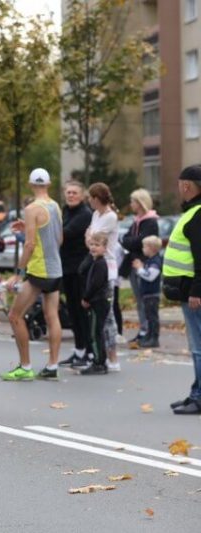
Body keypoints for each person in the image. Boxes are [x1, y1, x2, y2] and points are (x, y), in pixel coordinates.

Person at [1, 168, 63, 382]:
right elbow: (59, 239)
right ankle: (53, 365)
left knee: (14, 315)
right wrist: (29, 227)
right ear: (48, 184)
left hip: (39, 270)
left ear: (30, 185)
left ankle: (25, 366)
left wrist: (18, 274)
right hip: (56, 269)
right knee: (52, 316)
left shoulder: (31, 209)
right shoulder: (55, 206)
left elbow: (29, 244)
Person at [163, 165, 201, 414]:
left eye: (180, 184)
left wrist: (197, 291)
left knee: (198, 347)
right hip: (189, 291)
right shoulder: (193, 212)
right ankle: (195, 392)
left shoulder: (197, 215)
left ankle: (199, 397)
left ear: (186, 185)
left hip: (194, 294)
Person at [84, 183, 121, 372]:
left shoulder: (110, 217)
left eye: (90, 198)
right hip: (96, 264)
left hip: (107, 267)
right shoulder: (95, 215)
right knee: (99, 314)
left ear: (97, 199)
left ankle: (113, 357)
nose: (89, 201)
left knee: (108, 316)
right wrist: (90, 237)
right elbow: (90, 240)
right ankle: (102, 354)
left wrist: (90, 237)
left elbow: (92, 239)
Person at [58, 181, 94, 368]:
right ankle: (79, 349)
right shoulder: (65, 212)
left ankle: (89, 351)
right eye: (68, 192)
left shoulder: (84, 214)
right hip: (67, 268)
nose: (71, 195)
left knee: (82, 312)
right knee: (72, 311)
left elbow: (66, 233)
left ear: (82, 195)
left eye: (74, 192)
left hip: (80, 269)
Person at [120, 189, 159, 347]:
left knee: (145, 301)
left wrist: (131, 241)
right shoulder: (136, 221)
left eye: (133, 201)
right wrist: (132, 241)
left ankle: (149, 331)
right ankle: (143, 330)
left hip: (144, 265)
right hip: (134, 264)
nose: (131, 204)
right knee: (139, 300)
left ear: (140, 203)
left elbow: (138, 241)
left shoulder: (150, 222)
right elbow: (126, 239)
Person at [78, 233, 111, 375]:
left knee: (95, 333)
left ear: (104, 248)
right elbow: (81, 270)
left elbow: (95, 284)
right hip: (97, 301)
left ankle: (99, 362)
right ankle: (100, 361)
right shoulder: (94, 261)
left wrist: (86, 298)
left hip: (98, 302)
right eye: (91, 244)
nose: (93, 248)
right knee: (96, 332)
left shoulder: (100, 264)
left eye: (97, 245)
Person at [132, 235, 163, 348]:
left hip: (152, 294)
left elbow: (150, 276)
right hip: (147, 294)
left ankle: (154, 338)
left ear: (152, 248)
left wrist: (139, 268)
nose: (142, 249)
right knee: (148, 317)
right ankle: (148, 336)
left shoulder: (155, 262)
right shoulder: (149, 261)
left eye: (144, 247)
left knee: (152, 317)